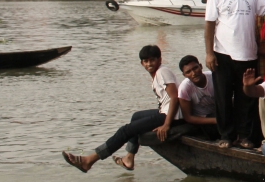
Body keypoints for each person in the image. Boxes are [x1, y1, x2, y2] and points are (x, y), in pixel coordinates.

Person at [62, 45, 183, 173]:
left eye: (152, 60)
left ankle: (89, 160)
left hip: (173, 116)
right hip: (166, 112)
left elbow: (175, 98)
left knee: (125, 131)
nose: (149, 64)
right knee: (136, 117)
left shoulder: (162, 72)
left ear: (159, 60)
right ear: (141, 63)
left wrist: (166, 125)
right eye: (146, 61)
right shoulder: (158, 73)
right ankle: (129, 158)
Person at [205, 0, 265, 149]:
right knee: (224, 97)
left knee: (246, 98)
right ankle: (226, 135)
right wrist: (209, 53)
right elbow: (209, 27)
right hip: (223, 54)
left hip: (247, 53)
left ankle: (245, 136)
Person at [177, 55, 218, 127]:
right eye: (188, 72)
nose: (193, 73)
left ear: (201, 66)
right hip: (203, 119)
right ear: (184, 75)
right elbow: (188, 117)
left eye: (195, 68)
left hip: (219, 112)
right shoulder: (184, 88)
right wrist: (216, 120)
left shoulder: (213, 77)